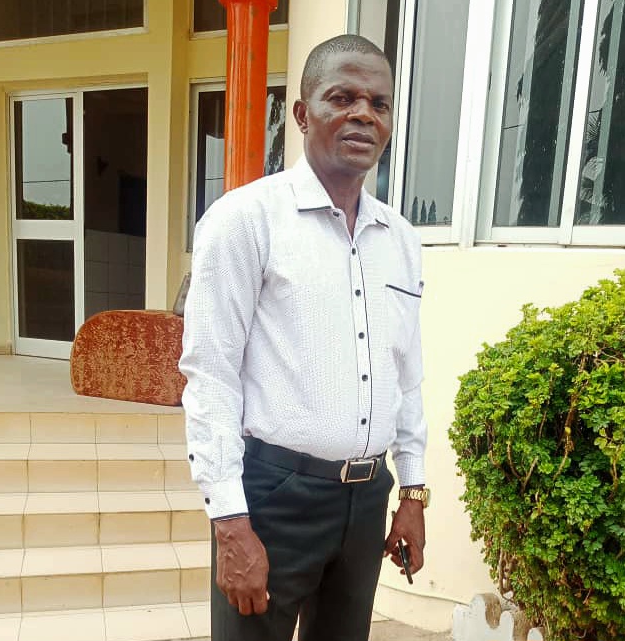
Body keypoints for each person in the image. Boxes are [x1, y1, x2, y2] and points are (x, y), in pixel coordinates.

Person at [179, 34, 430, 641]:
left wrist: (413, 491)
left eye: (379, 102)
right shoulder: (245, 220)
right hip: (274, 499)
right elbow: (209, 373)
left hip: (367, 499)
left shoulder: (398, 239)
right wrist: (231, 524)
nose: (363, 114)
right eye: (341, 97)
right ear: (301, 114)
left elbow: (405, 373)